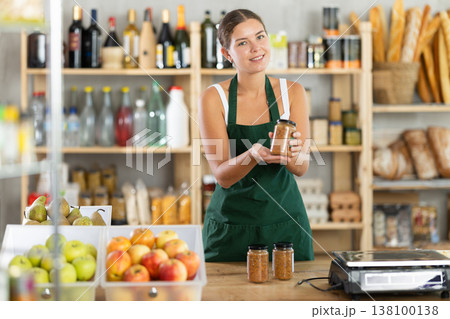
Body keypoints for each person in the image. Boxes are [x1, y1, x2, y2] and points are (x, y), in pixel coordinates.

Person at [199, 9, 313, 262]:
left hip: (286, 223)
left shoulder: (293, 92)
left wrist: (290, 155)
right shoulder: (213, 98)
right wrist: (252, 155)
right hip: (231, 228)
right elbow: (221, 176)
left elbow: (302, 167)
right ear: (227, 54)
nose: (256, 48)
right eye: (243, 43)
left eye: (260, 37)